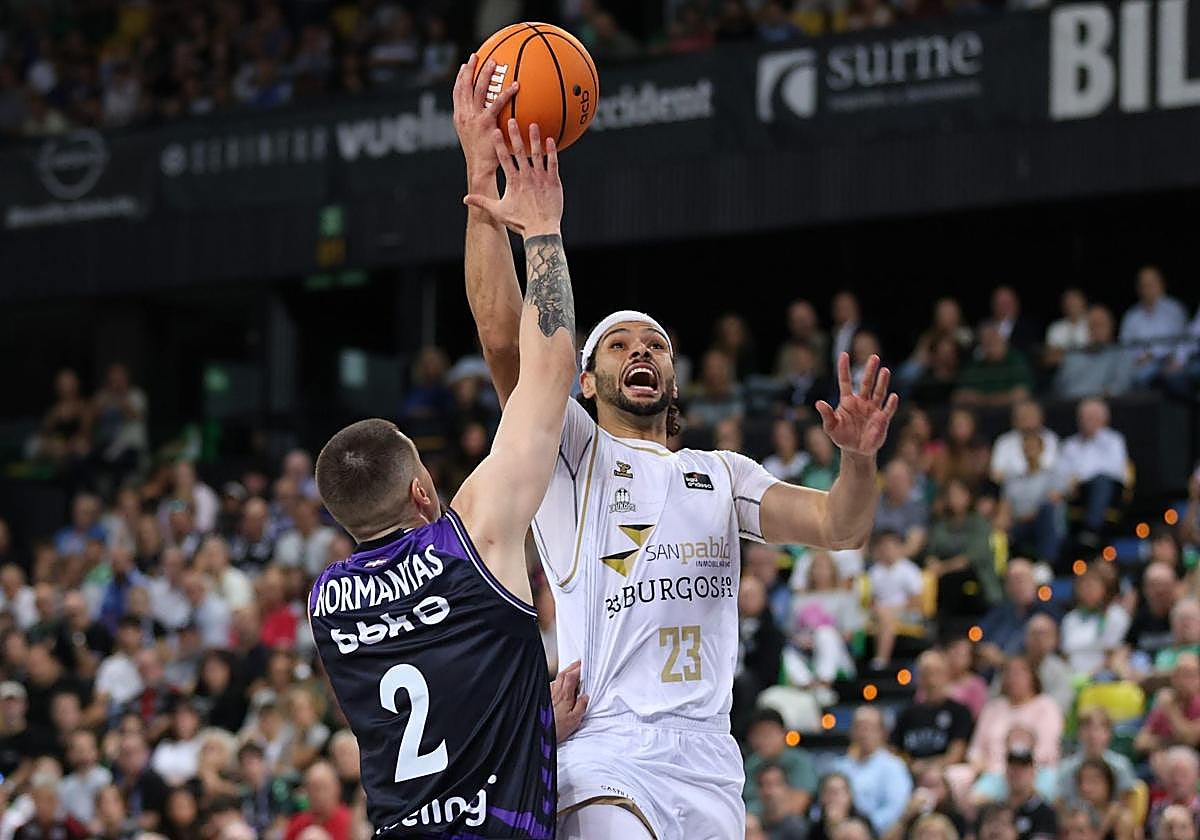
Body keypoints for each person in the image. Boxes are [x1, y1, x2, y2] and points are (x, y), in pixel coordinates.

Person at [458, 54, 898, 840]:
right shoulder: (572, 449)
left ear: (671, 370)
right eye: (618, 343)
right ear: (586, 381)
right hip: (606, 745)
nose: (639, 351)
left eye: (653, 343)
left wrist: (858, 460)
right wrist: (487, 197)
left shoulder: (723, 476)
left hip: (708, 761)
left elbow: (844, 528)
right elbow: (503, 340)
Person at [310, 88, 576, 839]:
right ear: (425, 489)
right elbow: (547, 372)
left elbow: (410, 716)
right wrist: (543, 232)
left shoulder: (327, 605)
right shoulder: (473, 539)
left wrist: (524, 724)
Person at [965, 658, 1063, 800]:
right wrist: (980, 765)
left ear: (1032, 676)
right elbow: (976, 749)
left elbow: (1046, 749)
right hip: (995, 773)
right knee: (971, 793)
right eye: (1008, 673)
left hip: (1034, 772)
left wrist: (1018, 769)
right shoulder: (993, 708)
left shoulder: (1047, 706)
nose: (1013, 678)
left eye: (1018, 673)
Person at [1057, 398, 1128, 546]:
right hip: (1077, 492)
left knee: (1101, 480)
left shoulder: (1113, 440)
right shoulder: (1070, 444)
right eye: (1083, 417)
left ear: (1104, 419)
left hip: (1110, 490)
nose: (1086, 421)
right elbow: (1060, 472)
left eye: (1092, 417)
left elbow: (1114, 470)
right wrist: (1070, 483)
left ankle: (1092, 529)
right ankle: (1060, 539)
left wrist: (1081, 478)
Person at [891, 651, 973, 777]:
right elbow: (894, 751)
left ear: (947, 675)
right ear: (918, 678)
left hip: (944, 775)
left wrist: (927, 767)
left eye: (936, 672)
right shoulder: (907, 713)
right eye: (925, 673)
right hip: (910, 774)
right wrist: (909, 765)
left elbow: (956, 754)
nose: (931, 679)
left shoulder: (960, 712)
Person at [926, 479, 1001, 616]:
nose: (953, 498)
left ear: (968, 496)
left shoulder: (980, 523)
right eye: (950, 495)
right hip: (945, 578)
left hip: (977, 576)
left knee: (952, 578)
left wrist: (943, 568)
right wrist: (932, 562)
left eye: (958, 494)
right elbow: (932, 551)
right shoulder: (941, 524)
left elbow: (970, 558)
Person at [834, 706, 913, 835]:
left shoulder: (894, 766)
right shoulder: (840, 766)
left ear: (883, 732)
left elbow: (897, 809)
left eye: (869, 727)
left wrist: (863, 826)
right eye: (859, 727)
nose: (863, 733)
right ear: (851, 732)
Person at [1118, 266, 1188, 384]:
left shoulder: (1175, 310)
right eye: (1143, 284)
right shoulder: (1131, 316)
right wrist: (1139, 358)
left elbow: (1184, 340)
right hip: (1141, 365)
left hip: (1170, 362)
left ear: (1161, 285)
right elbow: (1125, 345)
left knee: (1176, 376)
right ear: (1138, 289)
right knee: (1132, 377)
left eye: (1151, 283)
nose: (1147, 288)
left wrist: (1175, 359)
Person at [743, 709, 818, 818]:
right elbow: (746, 801)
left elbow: (799, 805)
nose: (764, 739)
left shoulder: (799, 761)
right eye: (759, 734)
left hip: (788, 824)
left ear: (783, 733)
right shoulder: (751, 764)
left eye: (769, 733)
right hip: (752, 825)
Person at [867, 530, 925, 670]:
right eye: (883, 547)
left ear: (900, 548)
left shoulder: (909, 570)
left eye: (891, 546)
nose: (887, 551)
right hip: (880, 613)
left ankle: (881, 659)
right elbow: (871, 599)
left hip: (907, 613)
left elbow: (916, 601)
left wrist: (893, 609)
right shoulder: (875, 571)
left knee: (886, 615)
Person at [1060, 564, 1131, 677]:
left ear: (1104, 588)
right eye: (1083, 586)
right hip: (1071, 677)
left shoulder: (1115, 615)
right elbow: (1065, 656)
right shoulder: (1069, 619)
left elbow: (1113, 655)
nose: (1088, 590)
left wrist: (1090, 676)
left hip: (1103, 677)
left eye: (1092, 585)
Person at [1001, 434, 1062, 565]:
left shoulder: (1052, 475)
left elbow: (1053, 501)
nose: (1030, 451)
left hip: (1043, 524)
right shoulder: (1013, 481)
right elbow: (1005, 509)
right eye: (1026, 447)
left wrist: (1026, 515)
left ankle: (1047, 563)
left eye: (1033, 447)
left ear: (1042, 449)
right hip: (1019, 527)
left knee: (1046, 511)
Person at [1054, 305, 1136, 400]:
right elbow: (1059, 388)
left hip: (1103, 408)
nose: (1097, 330)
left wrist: (1093, 403)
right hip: (1067, 407)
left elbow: (1118, 387)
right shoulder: (1072, 355)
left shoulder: (1122, 354)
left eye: (1101, 325)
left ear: (1111, 326)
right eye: (1093, 325)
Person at [954, 323, 1034, 408]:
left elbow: (1022, 393)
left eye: (994, 340)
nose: (991, 345)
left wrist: (985, 400)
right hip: (979, 415)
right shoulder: (974, 366)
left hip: (1011, 411)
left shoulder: (1016, 360)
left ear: (1003, 341)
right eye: (987, 342)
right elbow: (959, 396)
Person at [990, 401, 1059, 486]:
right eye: (1024, 417)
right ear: (1014, 420)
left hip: (1046, 490)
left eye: (1032, 416)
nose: (1028, 421)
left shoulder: (1051, 438)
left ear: (1041, 418)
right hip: (1013, 489)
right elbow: (996, 475)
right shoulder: (1004, 442)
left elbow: (1053, 469)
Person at [998, 742, 1057, 840]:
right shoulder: (996, 809)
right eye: (1013, 766)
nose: (1017, 772)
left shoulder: (1044, 813)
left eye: (1023, 767)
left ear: (1033, 771)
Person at [1068, 758, 1138, 840]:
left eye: (1093, 781)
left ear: (1108, 784)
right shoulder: (1077, 812)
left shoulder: (1122, 818)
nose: (1085, 787)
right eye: (1082, 781)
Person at [874, 460, 929, 561]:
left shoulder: (916, 508)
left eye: (900, 479)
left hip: (903, 561)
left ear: (910, 482)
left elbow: (914, 545)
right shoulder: (875, 503)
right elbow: (864, 537)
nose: (896, 483)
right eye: (892, 479)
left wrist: (890, 557)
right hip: (875, 559)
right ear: (885, 481)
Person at [283, 762, 351, 840]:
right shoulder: (298, 824)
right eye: (314, 788)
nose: (319, 794)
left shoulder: (350, 823)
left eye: (324, 787)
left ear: (337, 788)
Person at [1148, 747, 1200, 837]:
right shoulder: (1155, 808)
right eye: (1172, 774)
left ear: (1197, 776)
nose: (1177, 780)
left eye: (1183, 774)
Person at [807, 773, 874, 840]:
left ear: (850, 796)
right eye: (828, 791)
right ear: (821, 797)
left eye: (838, 792)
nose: (833, 798)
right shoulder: (814, 831)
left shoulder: (863, 823)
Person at [756, 764, 810, 840]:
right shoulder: (754, 825)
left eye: (775, 784)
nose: (768, 791)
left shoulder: (798, 829)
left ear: (787, 788)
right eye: (762, 785)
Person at [1044, 289, 1090, 367]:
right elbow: (1050, 358)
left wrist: (1063, 352)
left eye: (1075, 300)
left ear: (1084, 302)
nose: (1071, 305)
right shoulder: (1056, 327)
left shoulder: (1092, 324)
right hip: (1062, 369)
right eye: (1068, 301)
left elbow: (1095, 353)